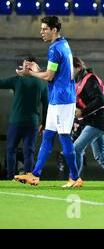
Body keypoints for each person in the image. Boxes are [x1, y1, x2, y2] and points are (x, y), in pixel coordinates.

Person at [14, 15, 82, 188]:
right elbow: (53, 73)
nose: (41, 32)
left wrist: (31, 73)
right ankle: (35, 174)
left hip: (62, 100)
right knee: (48, 136)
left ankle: (75, 177)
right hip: (57, 99)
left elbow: (49, 76)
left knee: (65, 138)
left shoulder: (55, 48)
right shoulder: (63, 44)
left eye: (45, 29)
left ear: (54, 30)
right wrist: (39, 71)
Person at [0, 57, 48, 180]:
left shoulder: (18, 79)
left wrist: (44, 122)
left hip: (17, 122)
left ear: (37, 68)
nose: (27, 66)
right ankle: (26, 175)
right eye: (25, 64)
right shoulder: (42, 83)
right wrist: (44, 123)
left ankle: (11, 177)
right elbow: (47, 106)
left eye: (30, 65)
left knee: (12, 150)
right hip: (31, 123)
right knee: (28, 151)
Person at [72, 57, 104, 180]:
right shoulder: (80, 81)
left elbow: (100, 100)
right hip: (95, 121)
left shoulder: (89, 79)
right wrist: (77, 120)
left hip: (97, 122)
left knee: (76, 149)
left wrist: (82, 112)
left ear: (78, 67)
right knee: (101, 155)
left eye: (71, 68)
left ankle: (74, 179)